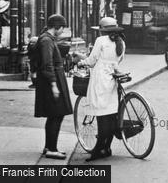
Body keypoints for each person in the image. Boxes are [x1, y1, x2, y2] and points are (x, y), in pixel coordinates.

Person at [80, 17, 126, 161]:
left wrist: (81, 62)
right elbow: (119, 60)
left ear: (102, 30)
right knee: (111, 114)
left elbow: (92, 60)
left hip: (100, 79)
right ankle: (107, 147)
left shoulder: (101, 41)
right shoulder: (121, 42)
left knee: (101, 116)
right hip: (113, 78)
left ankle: (97, 150)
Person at [34, 14, 72, 159]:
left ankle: (48, 146)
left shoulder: (47, 39)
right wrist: (54, 85)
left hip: (52, 80)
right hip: (51, 81)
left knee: (54, 114)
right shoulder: (46, 40)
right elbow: (47, 64)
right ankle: (51, 149)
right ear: (57, 27)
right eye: (62, 28)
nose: (62, 31)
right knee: (56, 114)